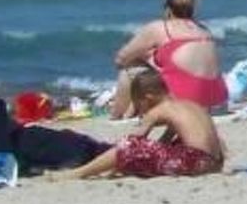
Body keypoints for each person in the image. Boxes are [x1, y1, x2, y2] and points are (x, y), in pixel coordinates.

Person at [57, 67, 224, 180]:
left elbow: (134, 140)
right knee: (171, 146)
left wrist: (118, 160)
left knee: (127, 145)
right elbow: (165, 143)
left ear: (148, 98)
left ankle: (78, 173)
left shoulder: (159, 110)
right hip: (214, 163)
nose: (139, 111)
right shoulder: (189, 104)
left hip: (193, 161)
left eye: (138, 105)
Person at [111, 0, 226, 118]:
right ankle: (130, 111)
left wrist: (144, 58)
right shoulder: (204, 30)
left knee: (129, 68)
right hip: (218, 104)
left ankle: (116, 115)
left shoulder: (160, 28)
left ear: (168, 9)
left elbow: (120, 59)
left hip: (185, 105)